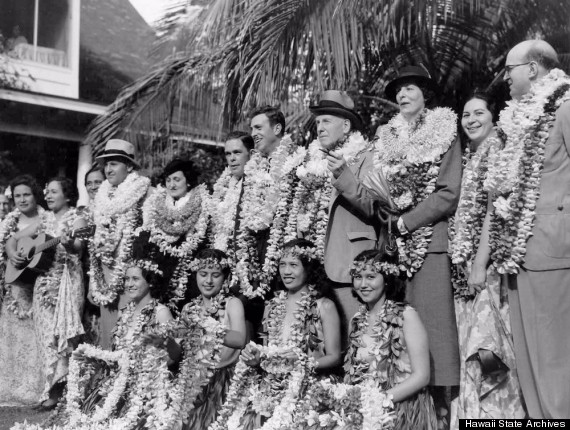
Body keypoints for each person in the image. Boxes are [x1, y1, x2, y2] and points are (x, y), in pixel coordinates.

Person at [484, 40, 570, 418]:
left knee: (555, 355)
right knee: (530, 355)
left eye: (509, 69)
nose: (505, 78)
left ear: (533, 69)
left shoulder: (565, 107)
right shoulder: (517, 119)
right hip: (518, 254)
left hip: (552, 250)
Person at [374, 65, 462, 424]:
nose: (403, 95)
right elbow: (378, 188)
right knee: (400, 333)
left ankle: (443, 414)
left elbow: (448, 193)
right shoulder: (387, 137)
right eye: (398, 91)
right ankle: (407, 413)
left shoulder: (445, 131)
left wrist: (407, 222)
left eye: (410, 89)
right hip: (394, 247)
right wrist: (389, 217)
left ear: (425, 94)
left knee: (435, 331)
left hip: (431, 244)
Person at [449, 94, 525, 423]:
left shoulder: (496, 149)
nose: (471, 119)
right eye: (466, 114)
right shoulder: (473, 155)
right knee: (477, 348)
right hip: (468, 267)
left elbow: (493, 213)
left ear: (494, 117)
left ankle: (497, 416)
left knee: (488, 348)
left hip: (488, 270)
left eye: (479, 112)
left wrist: (479, 262)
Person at [213, 239, 342, 429]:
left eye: (293, 265)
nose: (286, 271)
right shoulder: (272, 306)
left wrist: (302, 362)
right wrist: (257, 359)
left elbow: (334, 357)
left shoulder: (323, 306)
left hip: (309, 388)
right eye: (282, 264)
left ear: (308, 268)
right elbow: (267, 351)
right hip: (272, 387)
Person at [284, 90, 378, 341]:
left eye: (327, 121)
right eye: (317, 122)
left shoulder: (366, 156)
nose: (320, 128)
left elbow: (374, 206)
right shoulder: (311, 161)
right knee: (318, 343)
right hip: (313, 266)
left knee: (356, 340)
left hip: (349, 263)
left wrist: (344, 175)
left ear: (346, 125)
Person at [58, 234, 178, 428]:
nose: (129, 284)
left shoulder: (161, 312)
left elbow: (173, 358)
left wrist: (161, 346)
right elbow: (118, 354)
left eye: (135, 279)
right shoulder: (126, 313)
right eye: (126, 279)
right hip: (117, 380)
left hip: (145, 386)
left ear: (151, 282)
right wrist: (94, 358)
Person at [345, 249, 436, 429]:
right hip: (366, 411)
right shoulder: (356, 321)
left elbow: (422, 376)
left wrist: (380, 400)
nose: (363, 284)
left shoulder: (406, 316)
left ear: (387, 279)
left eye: (371, 277)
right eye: (358, 277)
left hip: (401, 410)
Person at [163, 248, 247, 429]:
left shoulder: (232, 303)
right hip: (191, 379)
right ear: (196, 276)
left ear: (225, 277)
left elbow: (240, 339)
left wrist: (205, 324)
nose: (208, 281)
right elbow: (177, 354)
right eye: (203, 274)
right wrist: (166, 341)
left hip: (222, 380)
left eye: (215, 275)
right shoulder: (189, 308)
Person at [90, 139, 152, 349]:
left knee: (128, 335)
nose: (108, 169)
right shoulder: (101, 196)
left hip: (131, 271)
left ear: (130, 166)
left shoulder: (144, 192)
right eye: (106, 164)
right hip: (106, 273)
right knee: (108, 335)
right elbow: (96, 242)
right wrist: (94, 281)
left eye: (114, 163)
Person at [0, 175, 45, 406]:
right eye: (17, 195)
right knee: (11, 338)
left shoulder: (45, 219)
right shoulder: (10, 221)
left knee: (32, 338)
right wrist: (10, 252)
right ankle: (10, 387)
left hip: (37, 288)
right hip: (13, 289)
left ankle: (32, 388)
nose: (22, 199)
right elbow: (10, 241)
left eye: (26, 194)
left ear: (35, 194)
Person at [140, 158, 208, 307]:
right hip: (159, 268)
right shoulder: (156, 204)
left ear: (188, 181)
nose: (171, 184)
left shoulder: (202, 205)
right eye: (168, 180)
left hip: (188, 272)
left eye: (177, 179)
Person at [208, 131, 254, 253]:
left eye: (237, 152)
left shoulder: (259, 183)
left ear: (251, 154)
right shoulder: (223, 186)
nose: (232, 158)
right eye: (228, 154)